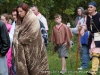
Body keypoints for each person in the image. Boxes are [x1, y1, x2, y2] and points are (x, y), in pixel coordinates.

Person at [13, 3, 50, 75]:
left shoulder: (33, 19)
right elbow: (16, 32)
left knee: (36, 69)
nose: (19, 13)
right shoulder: (19, 20)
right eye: (18, 12)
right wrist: (16, 40)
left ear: (26, 11)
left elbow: (32, 34)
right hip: (23, 50)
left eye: (21, 11)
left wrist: (19, 41)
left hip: (34, 48)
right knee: (26, 69)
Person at [78, 1, 100, 75]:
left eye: (91, 7)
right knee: (95, 53)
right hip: (91, 37)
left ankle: (93, 71)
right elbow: (85, 26)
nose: (89, 8)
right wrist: (82, 30)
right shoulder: (87, 17)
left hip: (99, 36)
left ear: (95, 8)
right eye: (88, 7)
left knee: (95, 53)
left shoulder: (99, 15)